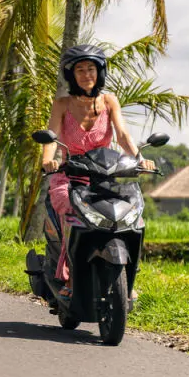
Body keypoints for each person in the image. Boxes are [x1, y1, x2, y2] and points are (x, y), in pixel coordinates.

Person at [41, 45, 155, 299]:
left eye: (91, 69)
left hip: (106, 176)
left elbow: (123, 135)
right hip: (70, 175)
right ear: (72, 75)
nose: (86, 74)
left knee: (130, 214)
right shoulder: (62, 104)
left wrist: (140, 158)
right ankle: (69, 278)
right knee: (70, 208)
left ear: (99, 72)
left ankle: (127, 277)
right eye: (80, 70)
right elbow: (51, 138)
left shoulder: (109, 101)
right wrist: (49, 160)